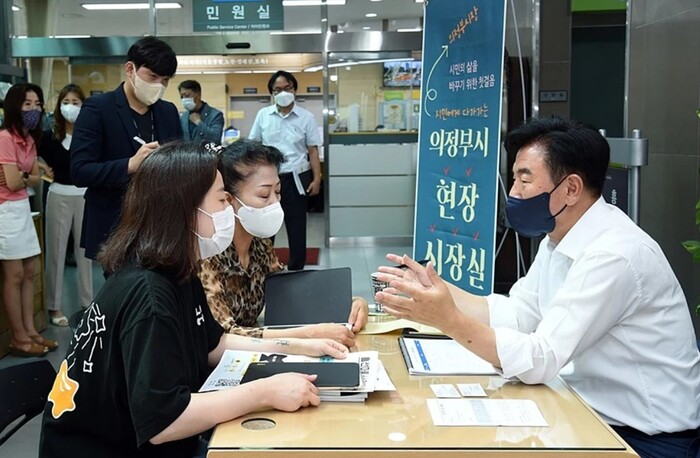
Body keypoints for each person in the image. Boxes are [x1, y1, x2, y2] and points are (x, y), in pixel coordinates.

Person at [376, 117, 700, 458]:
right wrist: (437, 288)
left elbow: (542, 357)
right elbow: (520, 314)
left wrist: (448, 319)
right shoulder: (558, 238)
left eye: (525, 179)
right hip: (585, 411)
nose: (514, 192)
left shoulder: (614, 255)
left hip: (644, 440)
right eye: (514, 178)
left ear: (571, 189)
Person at [39, 141, 348, 458]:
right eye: (222, 200)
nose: (229, 211)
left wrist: (300, 347)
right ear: (185, 209)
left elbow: (214, 344)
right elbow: (164, 423)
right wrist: (265, 392)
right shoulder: (150, 295)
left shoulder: (176, 267)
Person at [199, 140, 368, 349]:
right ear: (228, 199)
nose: (275, 203)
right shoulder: (208, 252)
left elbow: (288, 292)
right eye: (264, 195)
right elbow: (224, 334)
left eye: (277, 192)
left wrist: (350, 303)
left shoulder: (260, 244)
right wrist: (308, 335)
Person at [70, 36, 182, 261]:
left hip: (160, 225)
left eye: (165, 80)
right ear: (130, 69)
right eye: (152, 77)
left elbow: (179, 162)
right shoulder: (98, 109)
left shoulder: (167, 111)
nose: (158, 86)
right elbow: (80, 171)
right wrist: (129, 165)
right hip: (114, 224)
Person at [0, 83, 57, 356]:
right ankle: (18, 337)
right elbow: (13, 182)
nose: (34, 109)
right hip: (5, 211)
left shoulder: (30, 140)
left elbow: (35, 178)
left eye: (37, 104)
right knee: (14, 275)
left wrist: (24, 177)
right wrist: (27, 178)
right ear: (15, 106)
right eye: (27, 104)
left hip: (22, 207)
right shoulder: (5, 138)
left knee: (30, 272)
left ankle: (31, 331)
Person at [248, 70, 322, 270]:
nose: (283, 93)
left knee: (296, 227)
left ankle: (296, 269)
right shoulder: (263, 115)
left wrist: (317, 179)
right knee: (266, 228)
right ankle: (264, 268)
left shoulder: (306, 117)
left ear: (294, 89)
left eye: (287, 88)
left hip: (296, 180)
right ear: (272, 93)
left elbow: (313, 150)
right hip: (268, 180)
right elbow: (254, 145)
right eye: (277, 89)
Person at [39, 84, 93, 326]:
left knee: (85, 254)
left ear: (83, 106)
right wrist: (41, 166)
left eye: (75, 102)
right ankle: (54, 307)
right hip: (58, 195)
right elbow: (31, 155)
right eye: (66, 102)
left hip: (84, 196)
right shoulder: (50, 136)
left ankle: (87, 304)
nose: (70, 107)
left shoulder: (89, 135)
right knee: (56, 252)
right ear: (59, 106)